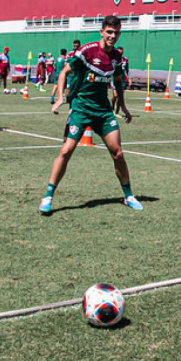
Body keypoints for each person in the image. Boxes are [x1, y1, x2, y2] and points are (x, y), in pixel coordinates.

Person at [41, 16, 141, 214]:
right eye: (109, 32)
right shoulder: (86, 51)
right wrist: (60, 98)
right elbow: (64, 73)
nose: (113, 36)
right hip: (81, 108)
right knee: (66, 150)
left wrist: (123, 106)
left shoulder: (117, 58)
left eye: (116, 33)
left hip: (103, 111)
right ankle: (48, 195)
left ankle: (128, 195)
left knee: (118, 153)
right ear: (102, 32)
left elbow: (118, 81)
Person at [111, 46, 131, 113]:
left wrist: (129, 78)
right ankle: (112, 108)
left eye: (121, 53)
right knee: (115, 95)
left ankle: (117, 111)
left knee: (120, 96)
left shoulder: (125, 60)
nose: (120, 54)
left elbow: (127, 70)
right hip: (114, 78)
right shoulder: (113, 59)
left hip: (122, 80)